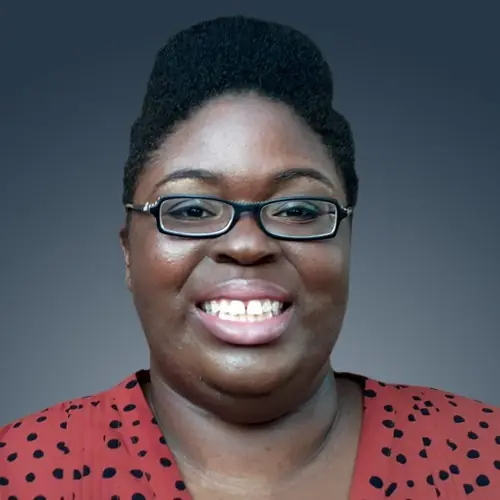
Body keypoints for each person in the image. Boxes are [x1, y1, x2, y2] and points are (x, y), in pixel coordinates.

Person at [0, 15, 499, 500]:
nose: (246, 245)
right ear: (129, 251)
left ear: (347, 242)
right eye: (192, 209)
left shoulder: (484, 454)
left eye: (298, 209)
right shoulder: (19, 472)